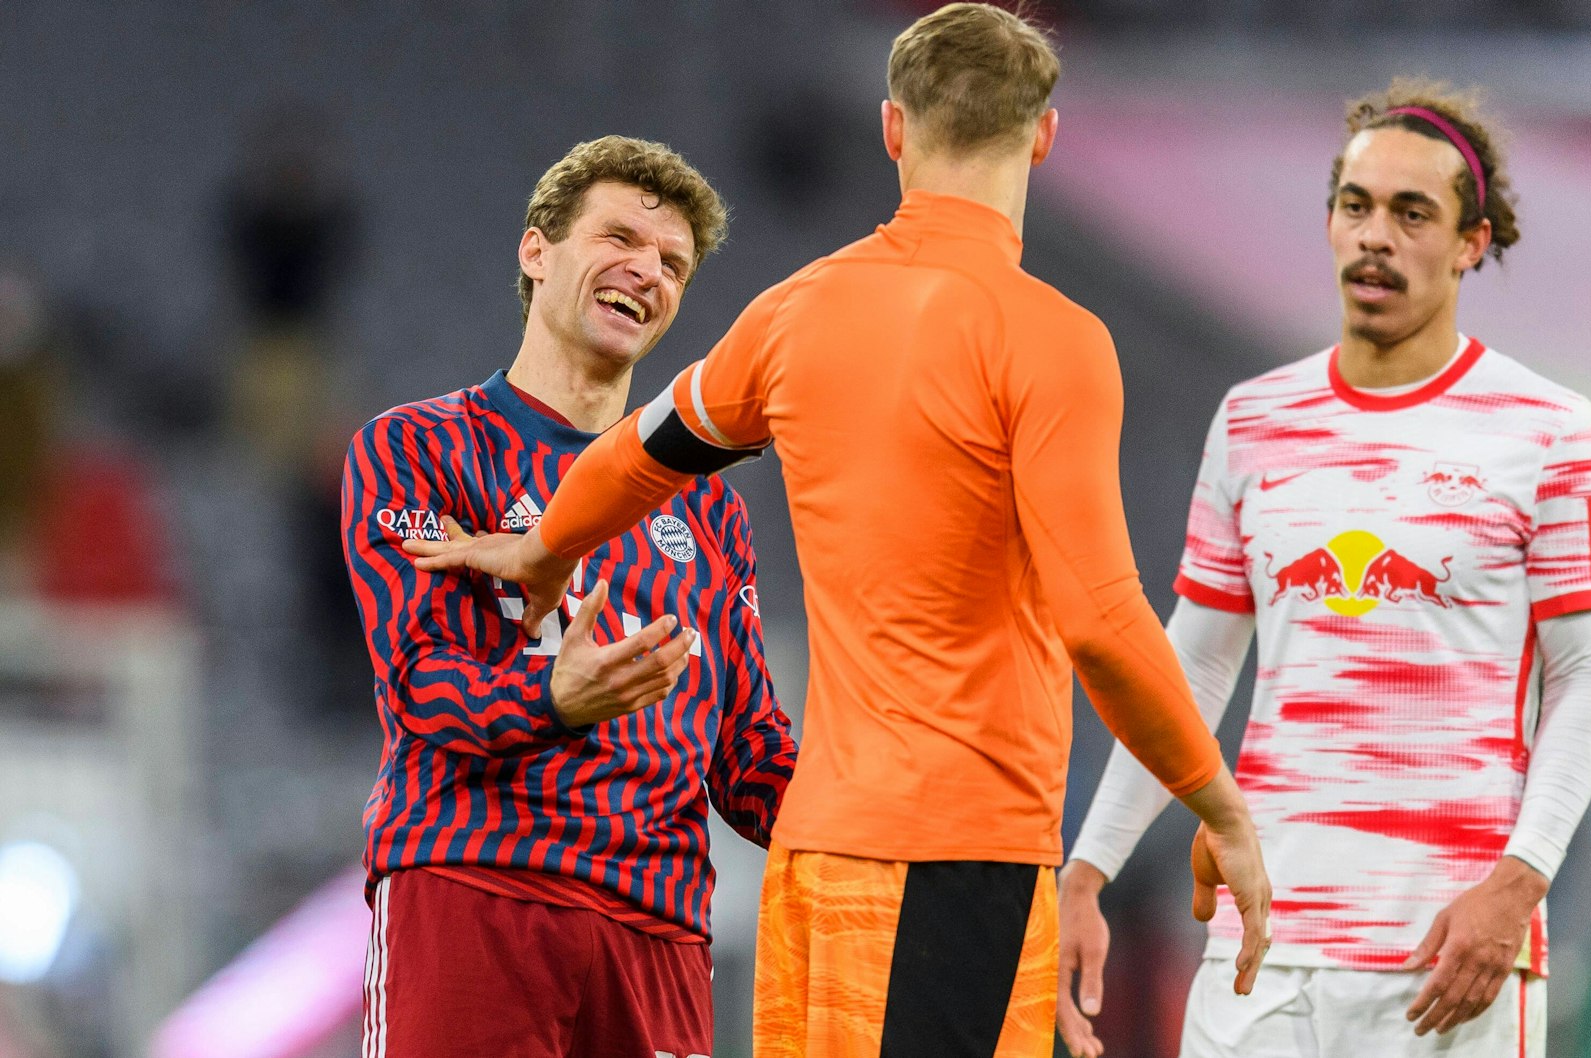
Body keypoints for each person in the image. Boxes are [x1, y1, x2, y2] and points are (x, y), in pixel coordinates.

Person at [403, 5, 1273, 1054]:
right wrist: (1219, 806)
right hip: (961, 847)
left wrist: (544, 548)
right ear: (1043, 135)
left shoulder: (794, 314)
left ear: (892, 129)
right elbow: (1099, 619)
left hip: (816, 865)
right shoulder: (1053, 339)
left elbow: (636, 453)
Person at [1056, 79, 1591, 1058]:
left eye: (1412, 214)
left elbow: (1583, 676)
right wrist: (1089, 867)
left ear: (1471, 242)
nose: (1375, 237)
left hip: (1449, 961)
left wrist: (1519, 881)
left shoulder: (1550, 431)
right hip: (1258, 953)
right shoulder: (1252, 421)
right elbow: (1190, 669)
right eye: (1355, 206)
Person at [342, 136, 796, 1057]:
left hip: (660, 932)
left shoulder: (708, 507)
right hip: (477, 886)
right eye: (619, 238)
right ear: (536, 251)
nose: (647, 271)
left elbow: (748, 753)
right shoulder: (418, 447)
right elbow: (420, 686)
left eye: (673, 264)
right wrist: (554, 699)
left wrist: (883, 833)